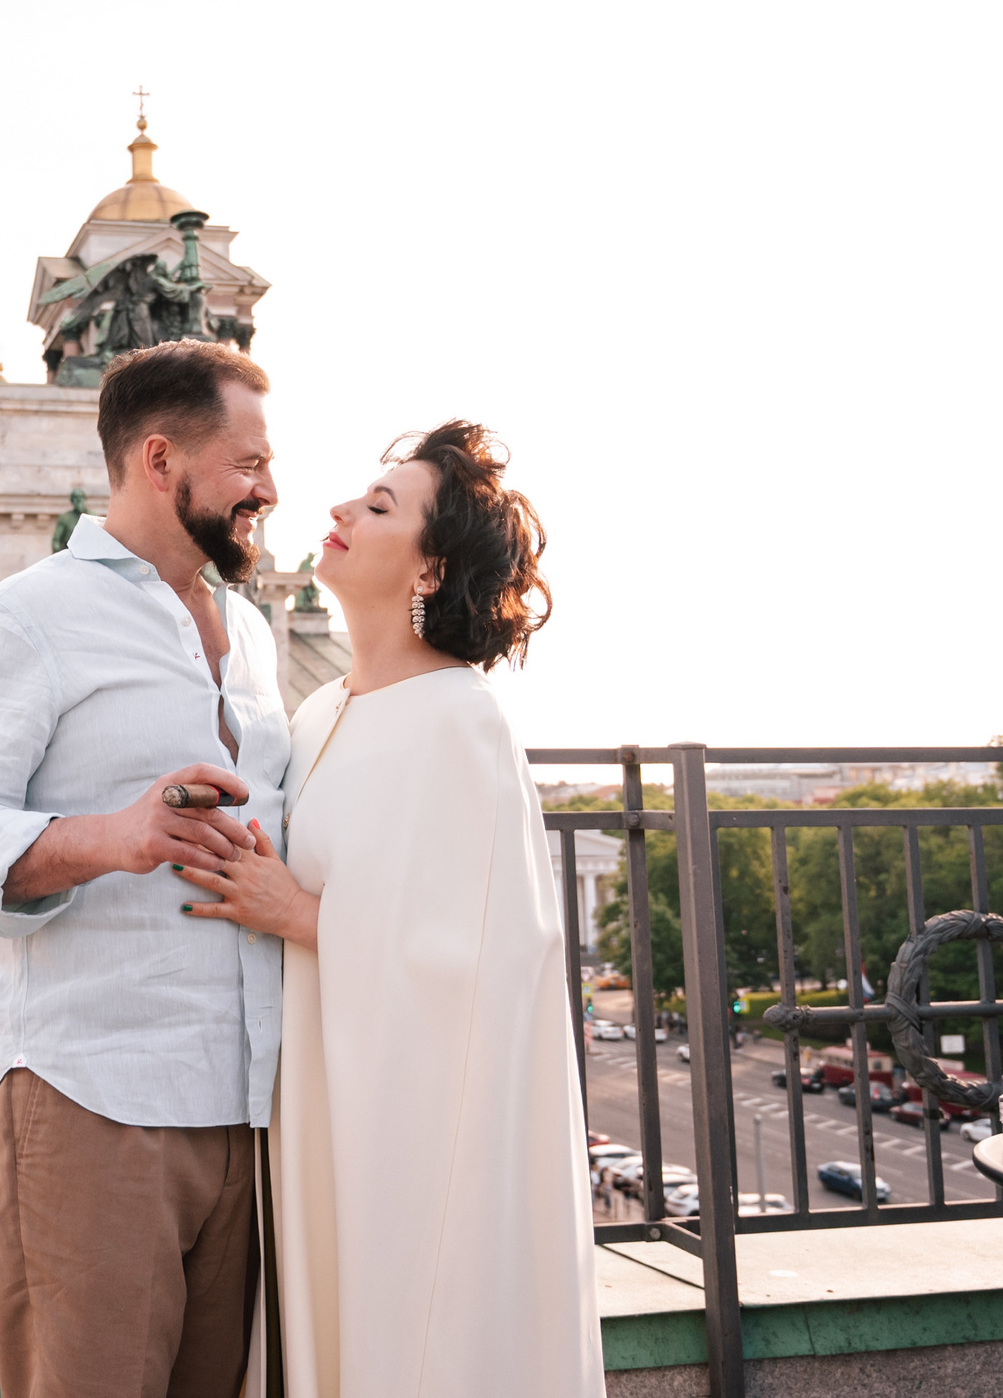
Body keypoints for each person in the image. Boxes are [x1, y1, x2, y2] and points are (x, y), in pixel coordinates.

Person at [176, 421, 603, 1397]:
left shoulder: (461, 716)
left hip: (416, 1142)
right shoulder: (323, 710)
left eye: (378, 507)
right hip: (329, 1111)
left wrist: (302, 915)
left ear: (431, 566)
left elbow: (495, 964)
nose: (335, 510)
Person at [0, 339, 290, 1398]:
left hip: (245, 1108)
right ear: (160, 459)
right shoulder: (27, 617)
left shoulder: (252, 633)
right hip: (92, 1099)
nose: (269, 487)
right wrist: (112, 836)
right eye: (248, 461)